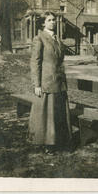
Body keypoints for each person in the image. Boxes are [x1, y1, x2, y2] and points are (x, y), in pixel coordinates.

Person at [29, 12, 72, 155]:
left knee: (58, 113)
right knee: (47, 115)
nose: (53, 22)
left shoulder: (57, 39)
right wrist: (36, 84)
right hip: (47, 82)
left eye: (54, 20)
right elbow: (35, 62)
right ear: (43, 23)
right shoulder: (39, 38)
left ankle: (59, 141)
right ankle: (48, 144)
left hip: (59, 82)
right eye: (49, 20)